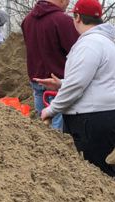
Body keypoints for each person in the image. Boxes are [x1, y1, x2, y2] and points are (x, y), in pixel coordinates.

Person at [36, 0, 115, 178]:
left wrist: (51, 110)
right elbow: (92, 79)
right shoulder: (103, 42)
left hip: (92, 118)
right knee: (101, 173)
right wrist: (61, 84)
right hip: (102, 114)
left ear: (77, 17)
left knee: (96, 176)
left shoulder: (89, 44)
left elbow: (77, 85)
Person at [21, 0, 79, 131]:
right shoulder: (62, 21)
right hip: (58, 82)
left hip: (37, 80)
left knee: (41, 130)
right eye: (67, 2)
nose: (67, 5)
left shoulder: (27, 20)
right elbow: (78, 52)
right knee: (59, 133)